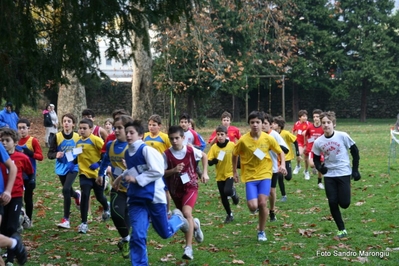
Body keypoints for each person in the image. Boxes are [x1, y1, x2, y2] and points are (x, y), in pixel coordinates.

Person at [112, 120, 189, 266]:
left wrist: (136, 180)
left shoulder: (147, 150)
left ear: (141, 135)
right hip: (136, 200)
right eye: (126, 132)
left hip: (154, 197)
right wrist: (120, 178)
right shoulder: (127, 153)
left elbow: (158, 171)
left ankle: (178, 218)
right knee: (137, 235)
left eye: (131, 133)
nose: (128, 135)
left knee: (164, 233)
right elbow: (135, 169)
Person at [232, 111, 286, 242]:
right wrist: (234, 171)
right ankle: (256, 210)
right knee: (252, 206)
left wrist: (282, 165)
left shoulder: (268, 138)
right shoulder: (243, 140)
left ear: (262, 124)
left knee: (262, 203)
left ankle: (261, 231)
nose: (255, 125)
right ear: (249, 124)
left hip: (265, 174)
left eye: (258, 122)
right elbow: (234, 154)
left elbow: (280, 152)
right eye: (252, 122)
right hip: (250, 177)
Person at [312, 111, 361, 239]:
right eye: (323, 123)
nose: (326, 125)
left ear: (334, 124)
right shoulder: (318, 142)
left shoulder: (342, 136)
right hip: (329, 175)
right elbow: (316, 159)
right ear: (321, 125)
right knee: (332, 201)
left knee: (344, 203)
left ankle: (342, 197)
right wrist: (320, 168)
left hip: (344, 172)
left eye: (328, 122)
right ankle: (341, 229)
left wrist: (355, 170)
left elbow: (355, 151)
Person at [163, 125, 209, 260]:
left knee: (187, 212)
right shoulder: (166, 154)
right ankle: (195, 225)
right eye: (171, 139)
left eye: (177, 138)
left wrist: (204, 173)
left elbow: (204, 155)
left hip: (190, 186)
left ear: (183, 138)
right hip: (175, 189)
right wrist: (173, 170)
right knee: (184, 218)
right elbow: (162, 173)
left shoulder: (190, 150)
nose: (174, 141)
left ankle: (188, 248)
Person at [97, 115, 133, 259]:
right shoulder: (110, 145)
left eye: (120, 128)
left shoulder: (134, 147)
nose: (116, 131)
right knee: (116, 213)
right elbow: (105, 160)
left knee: (127, 217)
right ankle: (126, 239)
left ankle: (127, 242)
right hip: (117, 188)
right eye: (115, 127)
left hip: (133, 191)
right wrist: (100, 174)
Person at [0, 128, 33, 265]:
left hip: (15, 196)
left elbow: (30, 172)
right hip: (2, 198)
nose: (4, 143)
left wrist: (29, 183)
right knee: (3, 229)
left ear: (15, 143)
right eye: (2, 141)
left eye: (7, 141)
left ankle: (10, 257)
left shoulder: (22, 157)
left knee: (12, 227)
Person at [73, 119, 110, 234]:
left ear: (90, 129)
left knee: (99, 197)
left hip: (97, 175)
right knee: (85, 195)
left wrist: (98, 163)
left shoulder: (96, 140)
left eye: (85, 128)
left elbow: (106, 155)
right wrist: (68, 161)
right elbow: (76, 157)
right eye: (80, 128)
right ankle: (84, 223)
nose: (82, 130)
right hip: (84, 174)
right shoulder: (78, 142)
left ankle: (106, 206)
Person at [47, 113, 81, 229]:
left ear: (73, 124)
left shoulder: (77, 137)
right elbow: (49, 154)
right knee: (68, 191)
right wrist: (56, 154)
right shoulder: (57, 137)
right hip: (61, 167)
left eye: (69, 121)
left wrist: (73, 162)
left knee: (65, 189)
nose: (66, 123)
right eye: (64, 121)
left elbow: (80, 152)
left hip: (73, 167)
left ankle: (66, 219)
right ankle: (76, 195)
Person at [207, 125, 239, 224]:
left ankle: (233, 194)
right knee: (223, 196)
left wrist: (235, 170)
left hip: (229, 172)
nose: (220, 137)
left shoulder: (232, 145)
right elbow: (209, 162)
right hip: (219, 175)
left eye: (222, 134)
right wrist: (214, 161)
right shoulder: (214, 148)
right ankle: (229, 214)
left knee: (227, 191)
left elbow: (237, 156)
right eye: (218, 135)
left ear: (226, 135)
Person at [16, 118, 44, 229]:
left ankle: (29, 219)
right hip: (17, 174)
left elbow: (41, 157)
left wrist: (30, 153)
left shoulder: (33, 141)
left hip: (30, 174)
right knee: (17, 198)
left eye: (24, 128)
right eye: (19, 128)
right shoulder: (14, 141)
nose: (21, 130)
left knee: (28, 198)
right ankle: (19, 218)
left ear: (28, 128)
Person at [261, 113, 288, 222]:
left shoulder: (274, 135)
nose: (262, 125)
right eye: (261, 123)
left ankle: (272, 211)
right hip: (259, 169)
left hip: (272, 168)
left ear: (271, 125)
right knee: (261, 192)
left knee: (271, 191)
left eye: (265, 123)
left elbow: (285, 150)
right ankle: (262, 207)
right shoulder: (255, 135)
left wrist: (273, 145)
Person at [272, 116, 300, 202]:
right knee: (280, 177)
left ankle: (287, 172)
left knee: (288, 177)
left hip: (287, 158)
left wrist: (298, 153)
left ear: (279, 125)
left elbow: (295, 141)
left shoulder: (286, 133)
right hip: (277, 159)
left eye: (274, 123)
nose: (272, 124)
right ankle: (284, 195)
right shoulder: (271, 134)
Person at [304, 109, 324, 188]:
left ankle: (319, 182)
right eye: (314, 117)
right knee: (312, 165)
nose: (315, 118)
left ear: (320, 118)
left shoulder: (323, 127)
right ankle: (313, 168)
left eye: (317, 117)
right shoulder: (310, 127)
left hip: (321, 150)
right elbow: (305, 135)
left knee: (320, 167)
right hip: (311, 150)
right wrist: (306, 144)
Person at [292, 110, 310, 178]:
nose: (305, 118)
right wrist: (292, 137)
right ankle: (298, 166)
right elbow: (293, 130)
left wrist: (306, 133)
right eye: (303, 116)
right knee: (299, 154)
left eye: (306, 116)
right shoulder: (296, 124)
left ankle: (306, 171)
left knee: (306, 158)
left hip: (307, 143)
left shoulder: (309, 124)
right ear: (299, 117)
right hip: (299, 142)